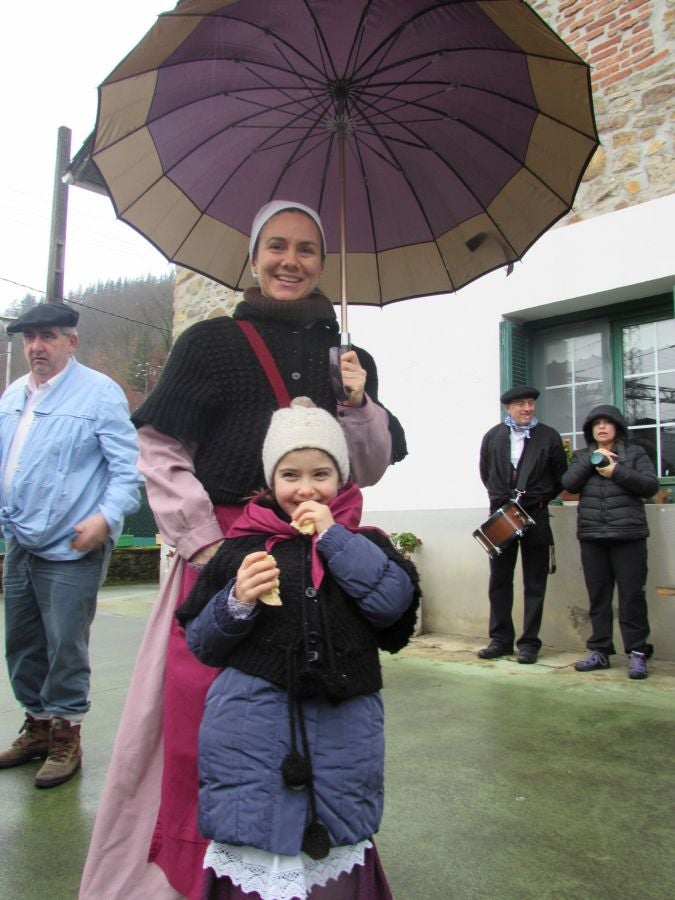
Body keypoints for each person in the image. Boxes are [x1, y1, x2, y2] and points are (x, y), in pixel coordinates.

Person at [79, 201, 407, 900]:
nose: (291, 261)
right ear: (252, 258)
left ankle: (316, 876)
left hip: (317, 559)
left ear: (323, 262)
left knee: (325, 719)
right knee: (209, 720)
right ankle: (202, 878)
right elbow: (158, 447)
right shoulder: (208, 344)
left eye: (307, 249)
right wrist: (204, 545)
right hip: (227, 554)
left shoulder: (348, 359)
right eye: (277, 246)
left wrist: (357, 401)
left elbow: (370, 465)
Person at [177, 398, 418, 900]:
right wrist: (237, 600)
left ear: (342, 479)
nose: (305, 488)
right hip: (249, 734)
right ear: (270, 481)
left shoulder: (365, 541)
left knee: (331, 853)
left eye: (321, 474)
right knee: (257, 847)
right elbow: (201, 641)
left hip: (343, 733)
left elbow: (392, 606)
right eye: (290, 474)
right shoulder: (241, 549)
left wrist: (334, 539)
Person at [0, 302, 141, 788]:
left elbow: (128, 471)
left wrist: (106, 518)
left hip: (74, 544)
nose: (37, 347)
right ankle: (37, 727)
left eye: (48, 337)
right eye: (30, 338)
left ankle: (66, 735)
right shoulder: (15, 395)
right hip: (20, 539)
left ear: (70, 341)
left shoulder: (99, 394)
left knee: (64, 644)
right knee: (20, 642)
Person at [561, 405, 658, 679]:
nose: (602, 427)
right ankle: (600, 651)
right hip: (593, 537)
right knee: (599, 598)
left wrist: (615, 470)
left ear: (617, 427)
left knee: (632, 597)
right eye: (596, 424)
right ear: (591, 430)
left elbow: (650, 486)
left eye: (607, 423)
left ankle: (637, 653)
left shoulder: (635, 453)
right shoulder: (582, 456)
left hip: (629, 536)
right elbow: (569, 483)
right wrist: (592, 459)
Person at [477, 386, 567, 665]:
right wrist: (503, 500)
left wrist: (535, 500)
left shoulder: (549, 436)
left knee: (535, 582)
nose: (527, 408)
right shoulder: (493, 436)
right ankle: (500, 640)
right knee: (500, 580)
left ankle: (529, 643)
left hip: (535, 515)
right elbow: (486, 472)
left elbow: (559, 478)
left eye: (530, 403)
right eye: (520, 404)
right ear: (508, 408)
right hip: (502, 516)